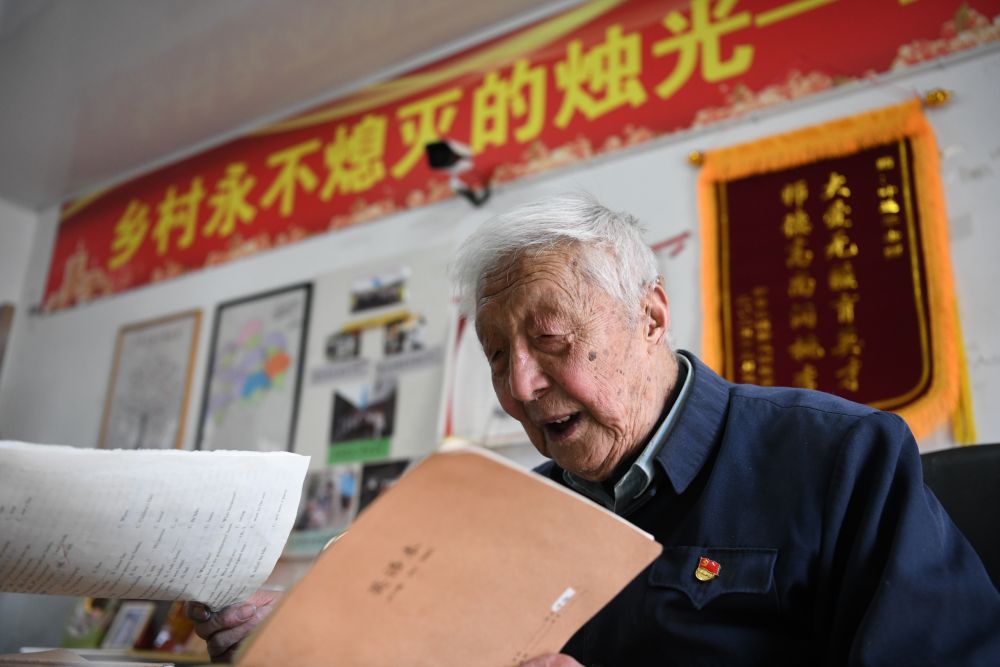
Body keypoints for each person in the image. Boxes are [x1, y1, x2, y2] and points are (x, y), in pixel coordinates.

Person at [186, 193, 1000, 664]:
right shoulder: (507, 514)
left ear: (651, 316)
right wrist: (304, 640)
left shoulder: (840, 458)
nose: (520, 386)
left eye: (550, 340)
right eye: (498, 355)